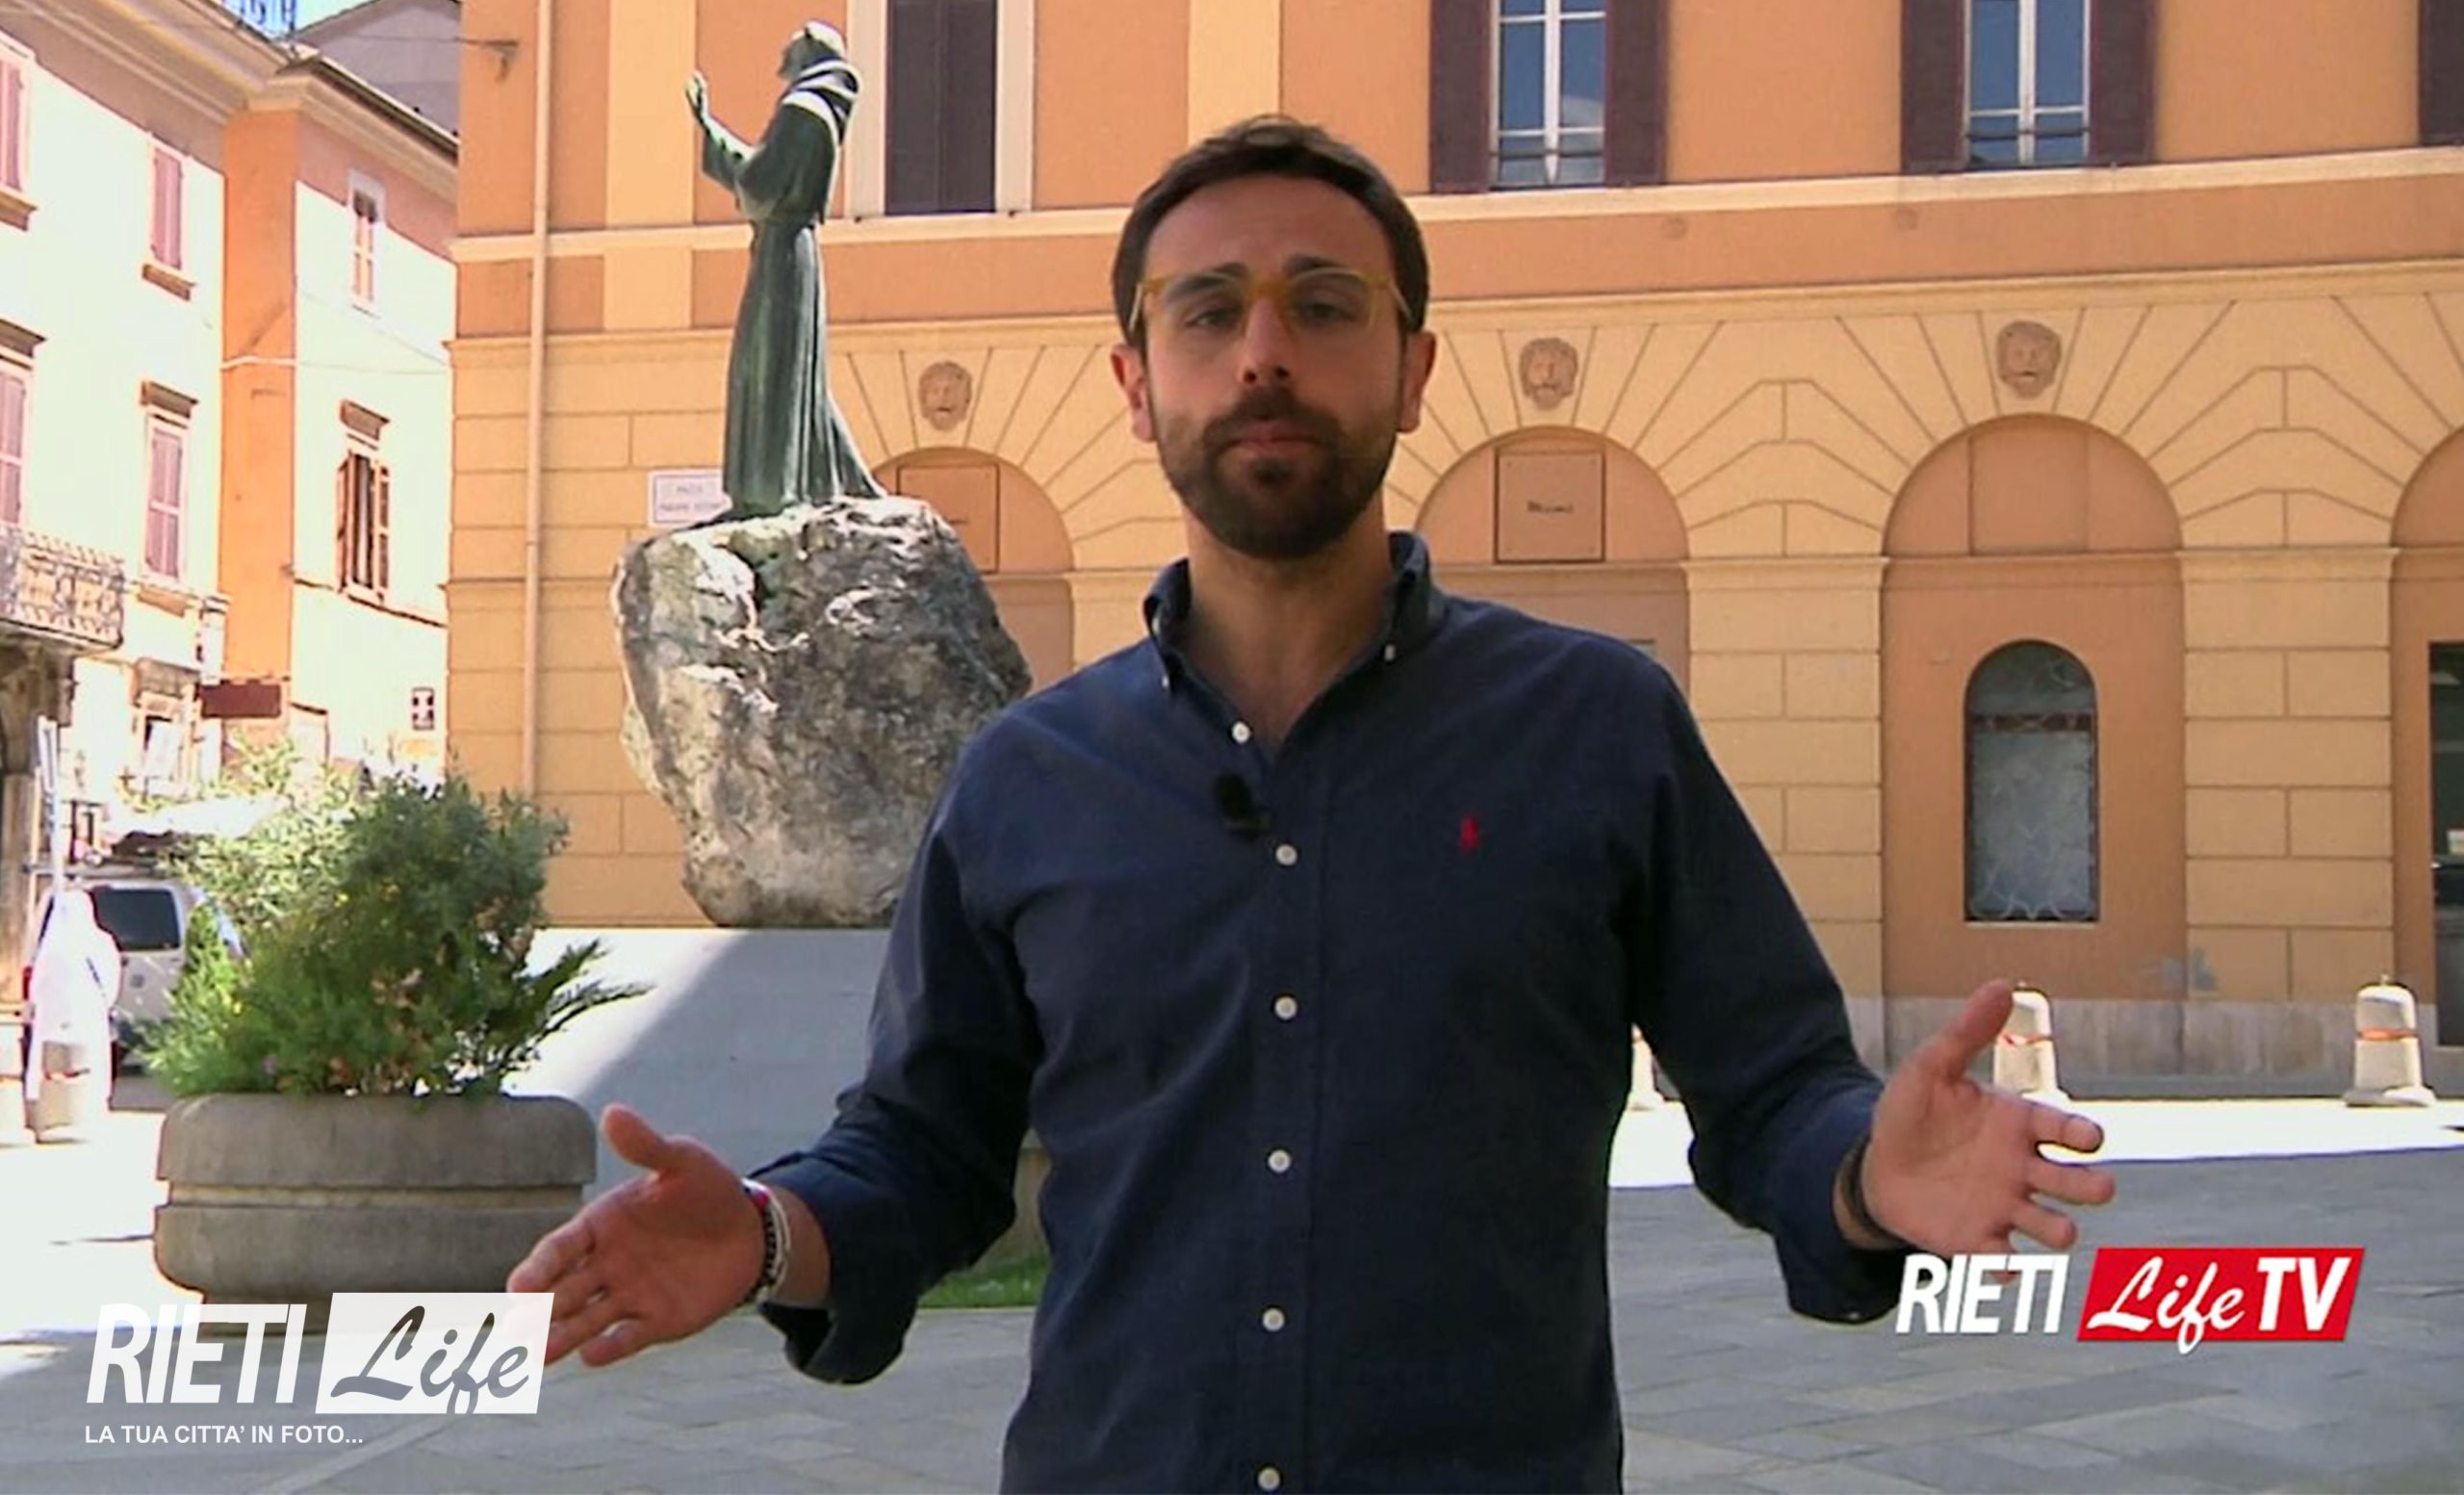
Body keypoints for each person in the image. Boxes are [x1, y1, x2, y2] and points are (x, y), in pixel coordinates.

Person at [510, 116, 2118, 1493]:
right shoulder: (1027, 779)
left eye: (1324, 304)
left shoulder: (1593, 727)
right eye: (1208, 311)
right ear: (1137, 381)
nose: (1264, 351)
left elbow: (1773, 1089)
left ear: (1413, 370)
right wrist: (773, 1233)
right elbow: (923, 1148)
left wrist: (1867, 1177)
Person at [687, 19, 884, 518]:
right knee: (788, 369)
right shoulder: (817, 111)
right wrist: (710, 128)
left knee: (769, 368)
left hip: (782, 251)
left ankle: (767, 494)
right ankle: (800, 487)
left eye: (790, 48)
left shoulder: (801, 111)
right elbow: (763, 177)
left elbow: (760, 185)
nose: (782, 56)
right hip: (792, 249)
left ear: (807, 56)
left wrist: (711, 133)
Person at [25, 889, 121, 1141]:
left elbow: (36, 987)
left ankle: (43, 1106)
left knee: (47, 1062)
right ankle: (91, 1105)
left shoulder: (51, 946)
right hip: (90, 1012)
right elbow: (111, 981)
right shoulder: (101, 942)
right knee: (91, 1060)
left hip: (51, 1016)